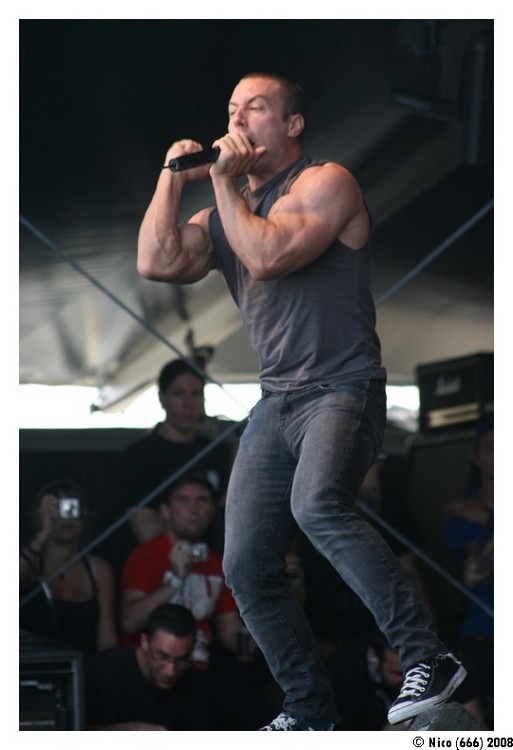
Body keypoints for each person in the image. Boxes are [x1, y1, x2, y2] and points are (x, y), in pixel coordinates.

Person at [137, 71, 466, 729]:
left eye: (254, 108)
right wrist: (171, 178)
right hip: (276, 402)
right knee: (244, 563)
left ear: (292, 124)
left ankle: (427, 656)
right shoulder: (225, 212)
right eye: (231, 109)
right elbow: (157, 261)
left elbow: (268, 255)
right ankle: (309, 708)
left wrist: (223, 182)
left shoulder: (326, 182)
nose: (237, 120)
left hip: (341, 387)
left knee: (317, 505)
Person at [120, 474, 241, 668]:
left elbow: (231, 634)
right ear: (165, 511)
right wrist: (175, 580)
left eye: (202, 500)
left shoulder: (217, 562)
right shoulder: (146, 556)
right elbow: (129, 622)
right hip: (152, 671)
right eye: (183, 500)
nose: (194, 509)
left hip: (200, 671)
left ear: (212, 511)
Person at [117, 358, 234, 546]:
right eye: (179, 393)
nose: (188, 403)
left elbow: (229, 516)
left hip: (214, 559)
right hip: (161, 559)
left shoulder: (218, 452)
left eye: (195, 394)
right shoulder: (138, 456)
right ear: (162, 398)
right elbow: (145, 531)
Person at [19, 479, 118, 654]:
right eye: (56, 510)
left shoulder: (99, 570)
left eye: (73, 508)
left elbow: (107, 639)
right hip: (31, 664)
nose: (67, 517)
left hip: (82, 665)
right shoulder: (29, 563)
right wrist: (44, 531)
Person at [84, 603, 220, 729]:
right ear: (144, 641)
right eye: (162, 656)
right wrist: (130, 731)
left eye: (181, 660)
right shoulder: (104, 671)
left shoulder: (195, 684)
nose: (171, 671)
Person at [445, 416, 494, 726]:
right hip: (486, 633)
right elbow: (473, 575)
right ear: (476, 457)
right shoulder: (461, 511)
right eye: (491, 448)